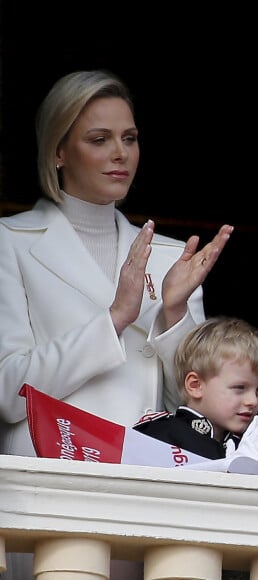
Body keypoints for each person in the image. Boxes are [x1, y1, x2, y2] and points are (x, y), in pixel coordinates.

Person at [0, 70, 232, 580]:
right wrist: (116, 320)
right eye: (99, 139)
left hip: (147, 489)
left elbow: (201, 406)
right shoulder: (10, 243)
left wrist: (172, 314)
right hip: (50, 484)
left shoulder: (172, 257)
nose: (120, 153)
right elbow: (7, 389)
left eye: (129, 139)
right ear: (58, 151)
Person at [134, 316, 258, 477]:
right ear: (195, 385)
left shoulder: (252, 449)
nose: (253, 401)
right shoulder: (159, 433)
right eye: (239, 388)